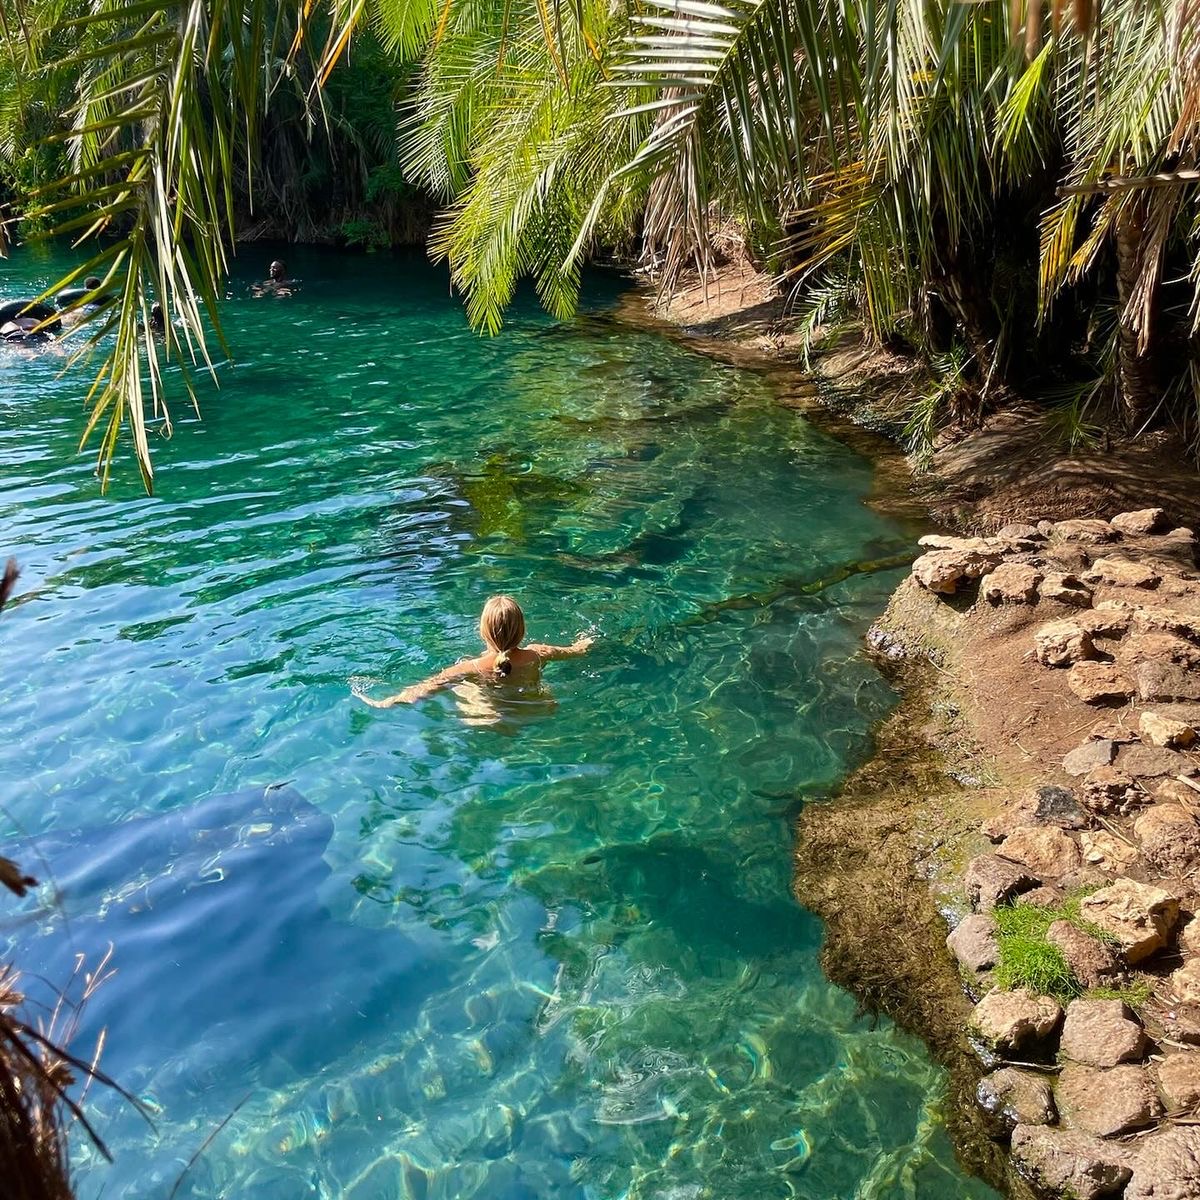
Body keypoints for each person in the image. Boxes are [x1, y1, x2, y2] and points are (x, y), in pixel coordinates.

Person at [353, 595, 593, 708]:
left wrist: (384, 701)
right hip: (537, 711)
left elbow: (420, 692)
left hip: (490, 716)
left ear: (482, 632)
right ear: (522, 630)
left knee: (462, 687)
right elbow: (579, 650)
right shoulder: (539, 653)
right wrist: (587, 638)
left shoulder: (469, 667)